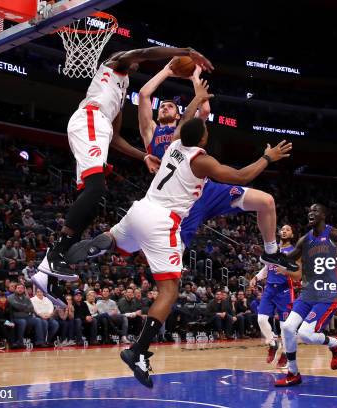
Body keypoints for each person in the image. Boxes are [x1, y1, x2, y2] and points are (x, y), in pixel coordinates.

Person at [62, 109, 292, 388]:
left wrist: (196, 94)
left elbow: (185, 125)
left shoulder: (173, 144)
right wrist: (268, 157)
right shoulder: (202, 161)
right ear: (203, 138)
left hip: (139, 210)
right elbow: (242, 175)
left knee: (118, 239)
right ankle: (137, 351)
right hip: (162, 223)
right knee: (169, 291)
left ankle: (106, 241)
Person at [32, 45, 213, 285]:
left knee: (91, 200)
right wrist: (184, 52)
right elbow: (145, 55)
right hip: (91, 119)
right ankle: (56, 253)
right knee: (96, 190)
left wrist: (143, 157)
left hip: (102, 130)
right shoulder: (115, 62)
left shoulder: (123, 88)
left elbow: (115, 138)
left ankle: (48, 273)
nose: (136, 62)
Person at [139, 65, 296, 271]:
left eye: (170, 106)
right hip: (180, 202)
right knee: (170, 268)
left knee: (266, 201)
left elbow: (204, 110)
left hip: (206, 188)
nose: (164, 107)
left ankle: (271, 252)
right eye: (162, 106)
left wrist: (195, 76)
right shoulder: (151, 131)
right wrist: (167, 70)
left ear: (180, 117)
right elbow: (144, 95)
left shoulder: (186, 130)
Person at [274, 204, 337, 387]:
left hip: (329, 292)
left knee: (306, 334)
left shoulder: (334, 234)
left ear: (324, 214)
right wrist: (270, 256)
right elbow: (289, 257)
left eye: (315, 210)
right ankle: (293, 372)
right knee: (288, 328)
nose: (310, 213)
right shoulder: (305, 240)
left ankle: (335, 343)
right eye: (309, 211)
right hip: (309, 292)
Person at [250, 224, 300, 367]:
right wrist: (256, 278)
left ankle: (285, 353)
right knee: (261, 319)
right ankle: (273, 343)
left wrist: (285, 269)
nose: (284, 231)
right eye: (282, 229)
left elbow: (296, 271)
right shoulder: (272, 249)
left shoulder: (294, 251)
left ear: (292, 235)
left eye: (288, 229)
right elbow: (267, 267)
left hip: (284, 291)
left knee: (285, 327)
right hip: (270, 289)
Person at [7, 283, 46, 348]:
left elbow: (31, 308)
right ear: (15, 289)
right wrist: (25, 307)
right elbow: (16, 306)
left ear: (24, 289)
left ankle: (39, 342)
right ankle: (19, 342)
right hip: (15, 318)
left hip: (26, 317)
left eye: (22, 288)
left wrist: (22, 308)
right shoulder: (10, 297)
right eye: (18, 288)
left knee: (38, 320)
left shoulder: (26, 298)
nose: (20, 289)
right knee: (22, 322)